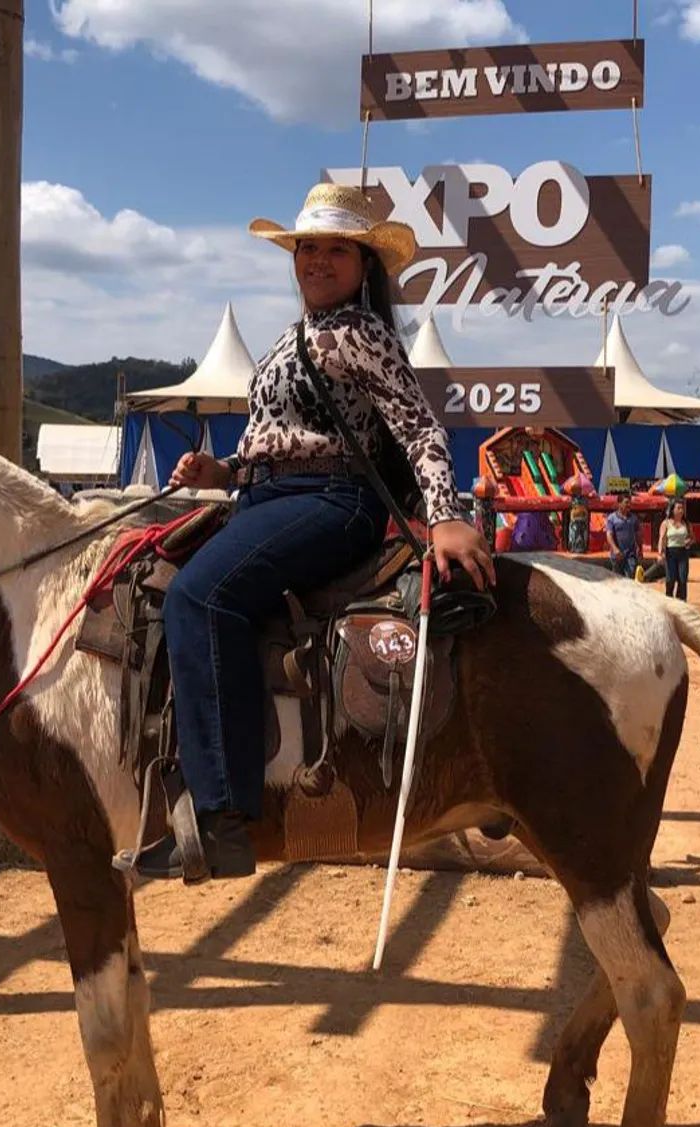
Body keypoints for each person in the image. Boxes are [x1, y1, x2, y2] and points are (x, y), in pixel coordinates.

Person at [133, 183, 494, 882]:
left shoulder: (359, 333)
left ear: (364, 264)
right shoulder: (289, 341)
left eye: (338, 249)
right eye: (309, 248)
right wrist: (224, 466)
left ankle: (220, 817)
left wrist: (446, 514)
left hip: (331, 501)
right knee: (164, 580)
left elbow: (418, 427)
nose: (320, 261)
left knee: (201, 600)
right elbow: (283, 442)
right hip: (272, 497)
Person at [659, 500, 692, 601]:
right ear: (672, 510)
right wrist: (661, 553)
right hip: (670, 553)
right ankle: (669, 601)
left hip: (683, 552)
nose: (681, 510)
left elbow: (692, 538)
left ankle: (681, 602)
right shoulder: (666, 523)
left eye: (682, 508)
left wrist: (689, 542)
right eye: (678, 508)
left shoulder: (686, 523)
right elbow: (662, 538)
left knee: (682, 580)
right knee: (670, 579)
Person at [605, 494, 643, 579]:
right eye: (626, 502)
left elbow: (638, 535)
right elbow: (609, 535)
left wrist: (640, 549)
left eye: (630, 503)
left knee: (630, 576)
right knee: (617, 579)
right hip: (617, 555)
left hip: (630, 554)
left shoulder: (634, 518)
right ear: (619, 504)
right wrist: (615, 549)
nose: (628, 505)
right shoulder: (612, 518)